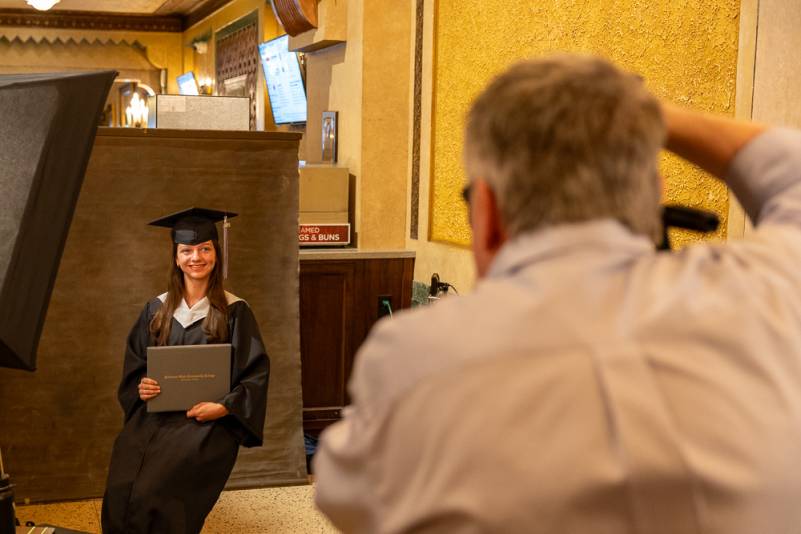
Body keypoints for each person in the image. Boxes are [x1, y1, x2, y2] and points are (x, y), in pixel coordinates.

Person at [313, 54, 801, 533]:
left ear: (487, 212)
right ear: (656, 193)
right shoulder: (770, 293)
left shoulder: (410, 359)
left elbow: (343, 493)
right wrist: (637, 111)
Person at [101, 207, 269, 534]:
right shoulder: (157, 309)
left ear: (216, 254)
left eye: (204, 249)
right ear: (176, 258)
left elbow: (255, 374)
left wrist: (223, 407)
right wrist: (143, 387)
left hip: (206, 423)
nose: (196, 258)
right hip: (155, 417)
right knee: (122, 485)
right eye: (187, 251)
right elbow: (136, 368)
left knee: (157, 489)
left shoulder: (235, 311)